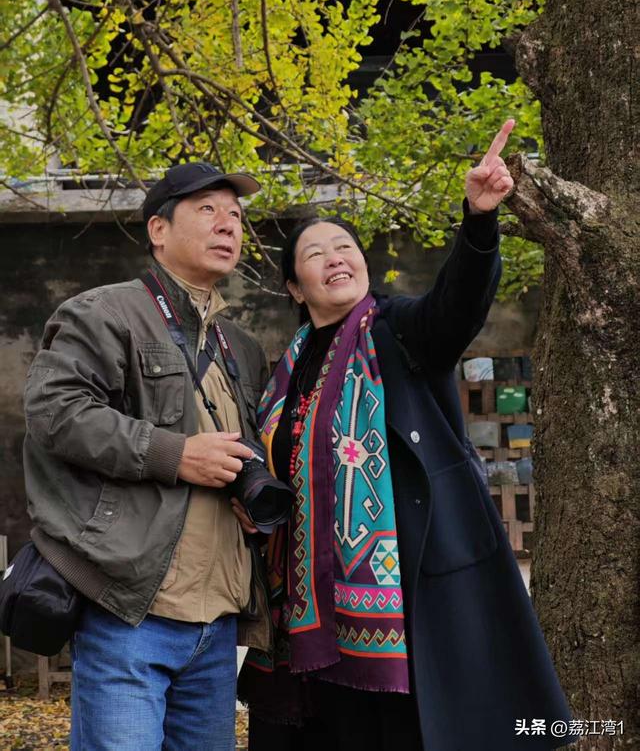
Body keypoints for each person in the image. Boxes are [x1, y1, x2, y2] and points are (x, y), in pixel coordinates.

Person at [237, 120, 576, 751]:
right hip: (306, 613)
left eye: (345, 246)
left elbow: (457, 304)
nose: (336, 257)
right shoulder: (280, 374)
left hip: (406, 593)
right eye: (316, 254)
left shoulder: (398, 331)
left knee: (406, 731)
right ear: (293, 287)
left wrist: (477, 223)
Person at [23, 162, 271, 751]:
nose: (227, 224)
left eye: (235, 215)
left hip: (217, 623)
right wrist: (173, 454)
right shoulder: (105, 312)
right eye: (207, 210)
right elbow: (54, 412)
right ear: (158, 230)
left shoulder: (243, 347)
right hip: (130, 609)